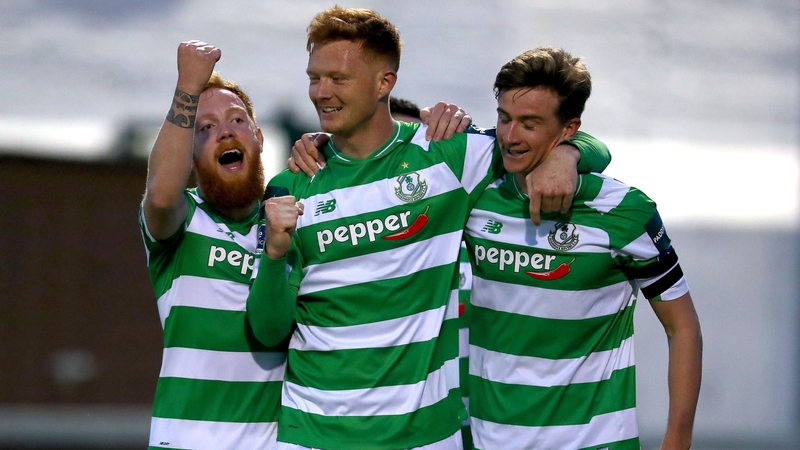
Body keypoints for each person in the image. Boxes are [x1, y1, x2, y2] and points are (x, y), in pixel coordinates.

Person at [246, 7, 610, 449]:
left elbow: (551, 138)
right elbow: (267, 330)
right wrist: (275, 255)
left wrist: (567, 155)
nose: (322, 93)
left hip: (425, 437)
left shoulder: (448, 156)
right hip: (314, 435)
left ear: (385, 82)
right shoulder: (291, 183)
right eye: (314, 78)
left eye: (338, 79)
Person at [464, 46, 703, 450]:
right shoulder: (474, 184)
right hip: (487, 440)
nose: (509, 136)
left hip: (594, 442)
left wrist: (678, 439)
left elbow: (683, 327)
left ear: (568, 129)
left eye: (529, 123)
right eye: (504, 119)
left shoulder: (625, 212)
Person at [139, 41, 286, 450]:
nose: (224, 131)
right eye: (204, 128)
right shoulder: (184, 220)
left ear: (257, 137)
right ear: (190, 150)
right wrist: (188, 85)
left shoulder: (286, 222)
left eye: (237, 120)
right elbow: (163, 195)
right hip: (187, 442)